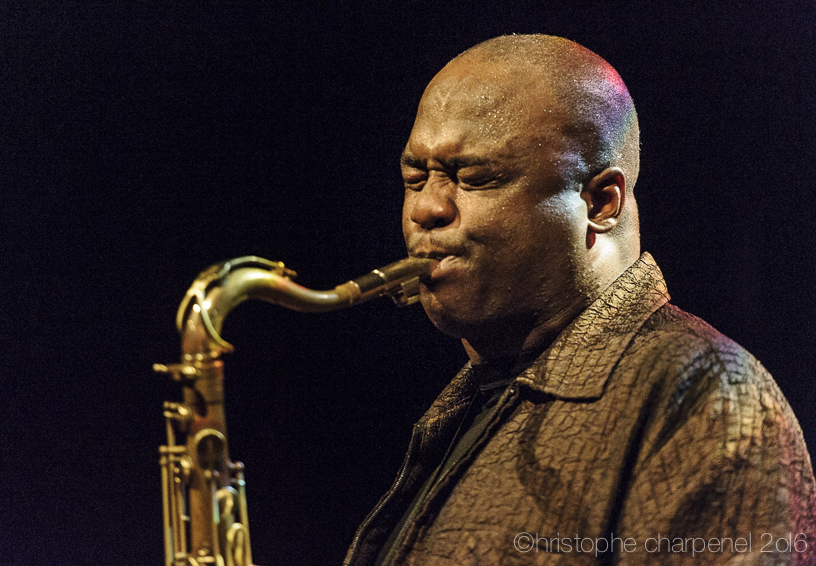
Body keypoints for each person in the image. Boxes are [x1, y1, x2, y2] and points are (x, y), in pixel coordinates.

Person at [342, 34, 816, 566]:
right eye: (415, 177)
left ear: (599, 201)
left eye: (471, 177)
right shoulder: (478, 398)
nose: (426, 208)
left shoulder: (707, 392)